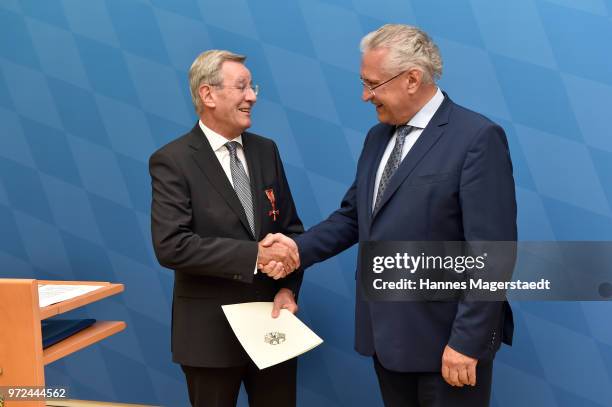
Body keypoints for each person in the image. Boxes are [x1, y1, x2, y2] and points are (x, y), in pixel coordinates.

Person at [261, 24, 517, 407]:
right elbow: (353, 217)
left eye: (372, 84)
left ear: (412, 78)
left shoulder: (477, 137)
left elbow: (493, 252)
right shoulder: (377, 138)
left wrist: (466, 341)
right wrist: (297, 249)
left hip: (448, 345)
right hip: (387, 339)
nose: (365, 96)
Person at [149, 49, 304, 407]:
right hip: (209, 338)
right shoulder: (172, 160)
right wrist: (255, 256)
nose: (252, 97)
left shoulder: (267, 151)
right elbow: (172, 245)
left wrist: (287, 289)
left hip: (273, 326)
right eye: (242, 87)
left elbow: (291, 230)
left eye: (252, 88)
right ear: (208, 94)